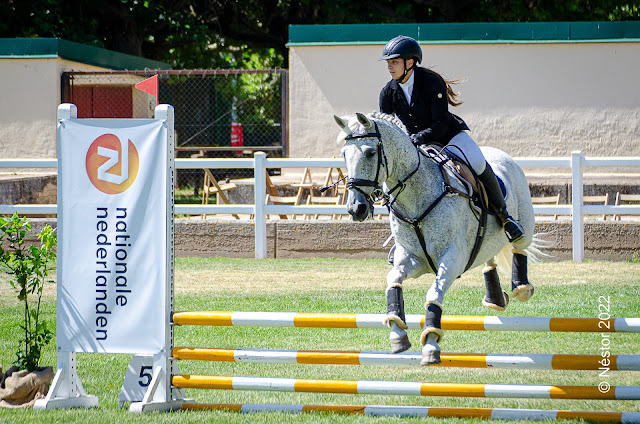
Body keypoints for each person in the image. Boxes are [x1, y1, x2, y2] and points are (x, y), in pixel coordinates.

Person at [379, 35, 523, 242]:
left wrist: (417, 138)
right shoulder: (387, 93)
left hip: (447, 137)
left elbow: (440, 123)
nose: (389, 67)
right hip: (415, 145)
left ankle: (504, 216)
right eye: (388, 63)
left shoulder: (431, 82)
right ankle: (400, 235)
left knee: (477, 161)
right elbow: (389, 128)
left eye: (394, 62)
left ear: (409, 62)